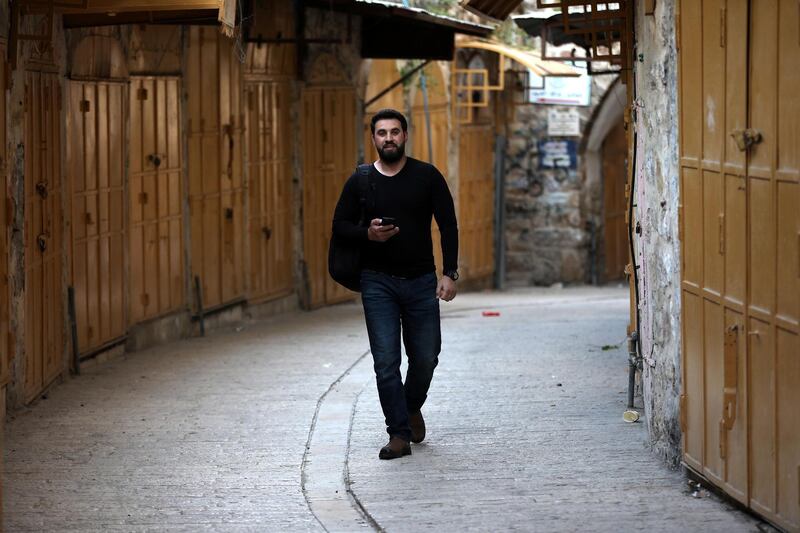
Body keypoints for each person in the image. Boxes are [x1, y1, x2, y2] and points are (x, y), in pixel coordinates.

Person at [332, 108, 459, 460]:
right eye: (381, 133)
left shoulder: (427, 176)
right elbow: (339, 225)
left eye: (394, 132)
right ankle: (398, 434)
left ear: (405, 135)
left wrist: (450, 273)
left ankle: (410, 404)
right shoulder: (360, 180)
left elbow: (448, 224)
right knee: (385, 361)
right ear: (373, 138)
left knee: (426, 357)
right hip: (377, 283)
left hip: (421, 281)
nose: (388, 138)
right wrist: (368, 234)